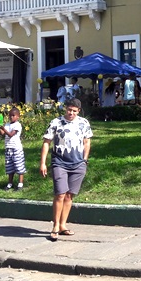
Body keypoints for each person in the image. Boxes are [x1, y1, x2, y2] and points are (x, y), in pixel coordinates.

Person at [40, 98, 92, 241]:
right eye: (69, 110)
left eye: (74, 111)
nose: (71, 113)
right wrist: (43, 163)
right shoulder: (56, 123)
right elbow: (46, 143)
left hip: (78, 163)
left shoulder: (83, 123)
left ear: (78, 111)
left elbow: (87, 142)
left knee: (69, 195)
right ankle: (55, 226)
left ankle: (63, 225)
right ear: (65, 109)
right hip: (60, 162)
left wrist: (85, 160)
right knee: (60, 194)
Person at [0, 107, 26, 191]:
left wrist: (3, 128)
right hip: (8, 148)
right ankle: (10, 183)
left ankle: (20, 184)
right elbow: (2, 133)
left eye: (13, 115)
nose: (11, 117)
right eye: (10, 115)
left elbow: (10, 134)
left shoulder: (17, 125)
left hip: (16, 148)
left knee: (19, 166)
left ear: (18, 116)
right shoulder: (7, 125)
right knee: (10, 167)